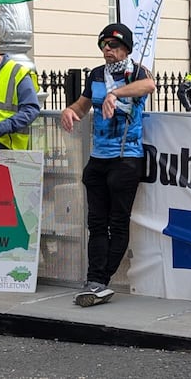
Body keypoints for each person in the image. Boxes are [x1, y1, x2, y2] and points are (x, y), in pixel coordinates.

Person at [60, 23, 155, 308]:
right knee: (96, 223)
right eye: (103, 46)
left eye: (113, 46)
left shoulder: (136, 72)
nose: (107, 51)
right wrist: (69, 110)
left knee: (118, 222)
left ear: (126, 48)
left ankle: (103, 279)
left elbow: (149, 85)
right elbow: (82, 105)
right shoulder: (96, 75)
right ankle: (95, 281)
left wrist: (116, 95)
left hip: (126, 158)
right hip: (99, 158)